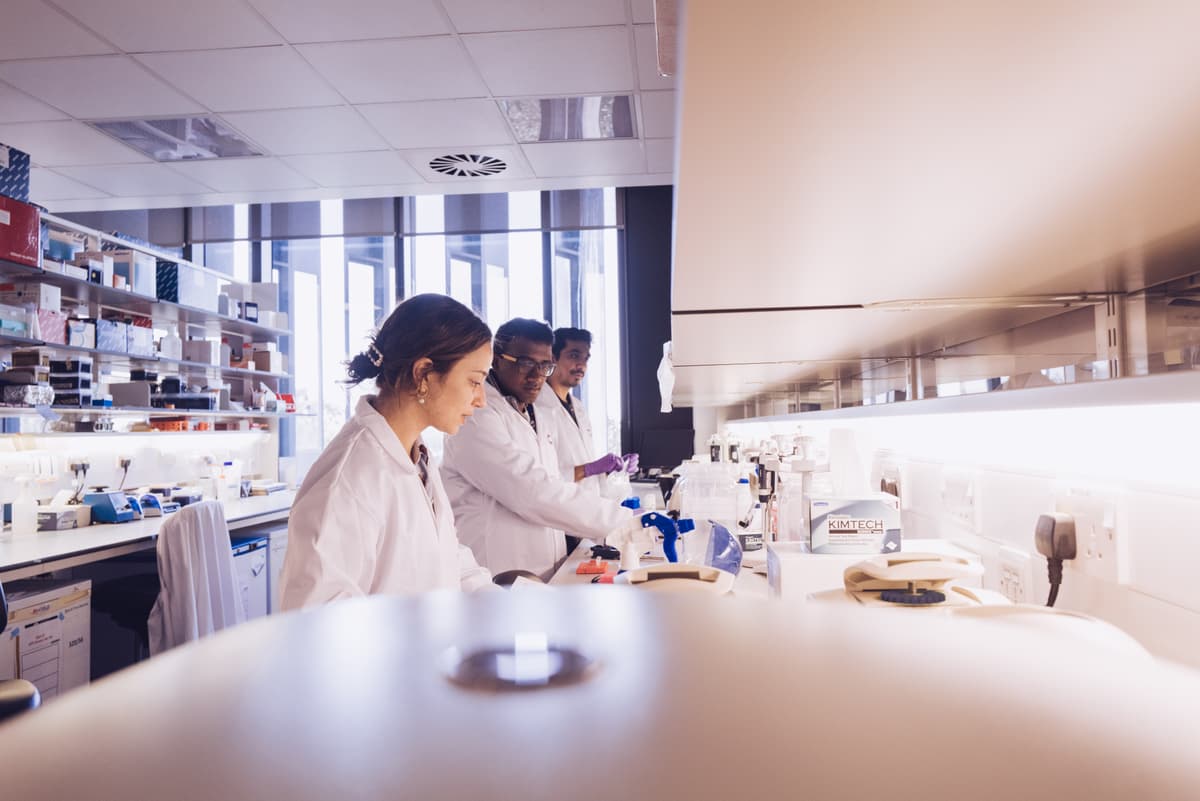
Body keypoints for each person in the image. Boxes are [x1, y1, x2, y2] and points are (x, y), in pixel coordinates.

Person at [279, 294, 495, 610]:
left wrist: (508, 608)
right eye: (474, 382)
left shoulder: (415, 455)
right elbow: (317, 620)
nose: (481, 400)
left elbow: (447, 558)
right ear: (424, 374)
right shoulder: (350, 477)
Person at [441, 318, 635, 581]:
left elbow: (551, 482)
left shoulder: (535, 411)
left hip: (543, 564)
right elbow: (530, 490)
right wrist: (623, 521)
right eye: (526, 363)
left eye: (544, 366)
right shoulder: (477, 415)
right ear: (497, 360)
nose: (536, 375)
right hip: (497, 569)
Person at [535, 327, 639, 490]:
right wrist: (590, 468)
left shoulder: (578, 408)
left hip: (584, 506)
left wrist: (612, 468)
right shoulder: (536, 407)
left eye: (586, 358)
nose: (582, 365)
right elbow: (541, 479)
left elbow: (586, 475)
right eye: (574, 356)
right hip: (558, 508)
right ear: (552, 358)